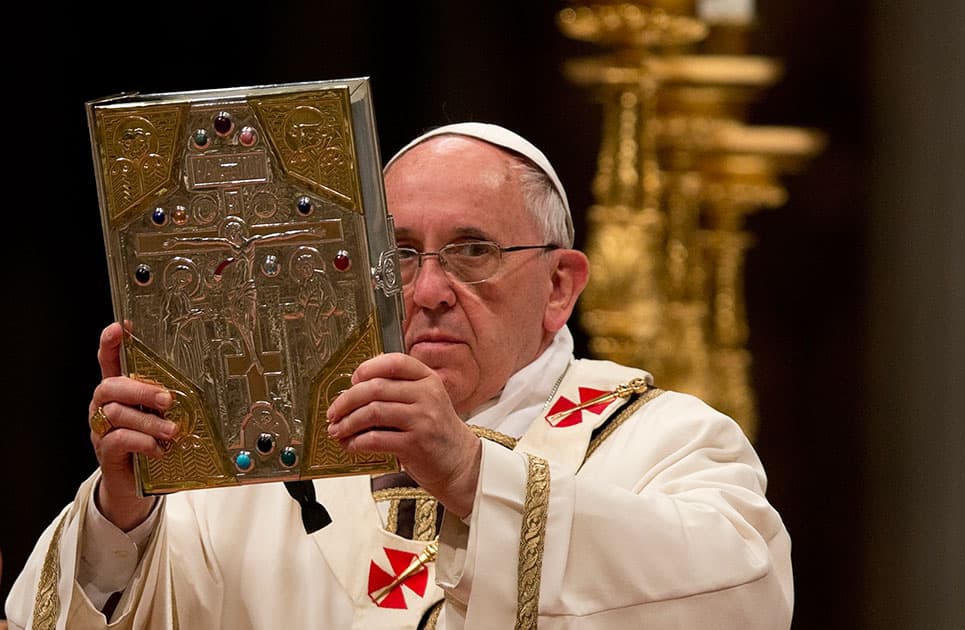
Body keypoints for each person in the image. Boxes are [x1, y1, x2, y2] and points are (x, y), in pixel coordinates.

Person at [5, 122, 793, 629]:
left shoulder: (665, 441)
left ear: (560, 286)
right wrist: (125, 509)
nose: (426, 291)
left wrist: (470, 472)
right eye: (396, 255)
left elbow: (745, 597)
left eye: (473, 251)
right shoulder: (262, 459)